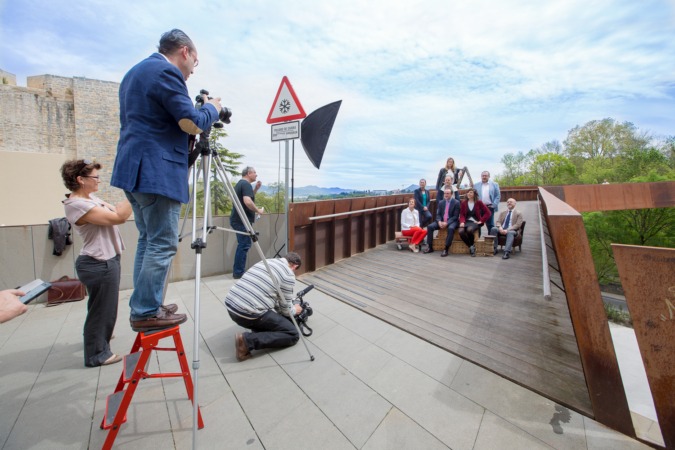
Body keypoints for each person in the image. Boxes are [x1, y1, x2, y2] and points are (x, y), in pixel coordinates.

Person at [111, 29, 222, 332]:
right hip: (156, 171)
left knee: (148, 241)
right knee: (161, 243)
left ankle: (148, 303)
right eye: (194, 63)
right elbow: (191, 122)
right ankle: (146, 310)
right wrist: (212, 107)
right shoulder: (165, 72)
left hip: (133, 170)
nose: (190, 71)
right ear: (184, 52)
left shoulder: (135, 72)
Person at [61, 159, 132, 367]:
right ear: (80, 180)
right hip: (98, 263)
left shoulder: (89, 198)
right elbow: (119, 216)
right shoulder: (77, 204)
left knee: (101, 308)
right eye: (95, 177)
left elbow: (116, 212)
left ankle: (99, 340)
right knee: (102, 310)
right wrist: (134, 189)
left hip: (103, 261)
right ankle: (97, 354)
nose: (99, 181)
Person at [225, 252, 303, 361]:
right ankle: (247, 341)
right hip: (248, 314)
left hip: (231, 306)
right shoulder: (288, 274)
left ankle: (258, 333)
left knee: (271, 320)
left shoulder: (265, 261)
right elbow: (286, 310)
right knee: (293, 334)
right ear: (294, 266)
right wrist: (295, 309)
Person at [231, 166, 263, 279]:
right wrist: (258, 210)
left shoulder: (241, 184)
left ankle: (238, 271)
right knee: (244, 245)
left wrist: (256, 189)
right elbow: (247, 201)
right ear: (249, 173)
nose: (256, 174)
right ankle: (238, 273)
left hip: (238, 219)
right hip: (241, 220)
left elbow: (248, 197)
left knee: (243, 244)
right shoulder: (245, 184)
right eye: (255, 172)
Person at [423, 188, 460, 257]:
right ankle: (430, 247)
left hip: (452, 221)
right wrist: (439, 221)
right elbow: (438, 214)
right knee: (430, 227)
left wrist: (447, 223)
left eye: (448, 193)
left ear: (451, 194)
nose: (446, 195)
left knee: (451, 228)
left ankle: (446, 249)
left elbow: (455, 216)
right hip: (441, 220)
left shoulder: (456, 202)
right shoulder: (441, 202)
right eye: (445, 193)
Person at [458, 188, 491, 257]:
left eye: (471, 192)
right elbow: (462, 214)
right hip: (466, 221)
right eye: (468, 192)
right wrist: (462, 222)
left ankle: (472, 247)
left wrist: (481, 220)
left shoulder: (479, 202)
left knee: (469, 230)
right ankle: (471, 246)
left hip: (475, 222)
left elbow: (488, 213)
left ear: (474, 194)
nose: (469, 194)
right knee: (461, 231)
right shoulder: (464, 203)